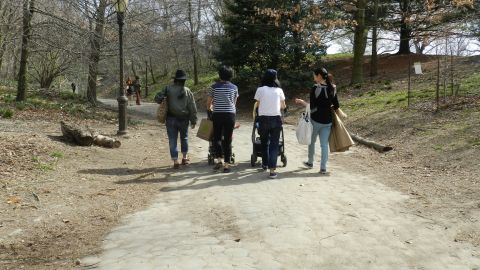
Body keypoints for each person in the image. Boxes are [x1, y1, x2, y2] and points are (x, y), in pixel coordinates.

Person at [295, 67, 340, 174]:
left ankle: (310, 162)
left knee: (312, 142)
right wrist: (327, 108)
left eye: (314, 75)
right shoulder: (333, 88)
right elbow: (337, 105)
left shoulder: (315, 88)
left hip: (315, 121)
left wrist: (302, 102)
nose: (313, 77)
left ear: (319, 76)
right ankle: (323, 168)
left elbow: (313, 108)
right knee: (324, 145)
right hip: (328, 121)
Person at [155, 69, 198, 169]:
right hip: (184, 119)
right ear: (184, 80)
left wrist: (163, 96)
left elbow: (157, 99)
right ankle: (185, 157)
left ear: (175, 79)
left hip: (171, 119)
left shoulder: (168, 89)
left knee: (172, 140)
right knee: (184, 138)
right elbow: (192, 107)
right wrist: (193, 120)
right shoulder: (187, 91)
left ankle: (175, 160)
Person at [254, 69, 286, 179]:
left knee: (264, 143)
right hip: (276, 119)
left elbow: (257, 104)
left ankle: (264, 164)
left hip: (263, 119)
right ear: (275, 78)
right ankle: (272, 171)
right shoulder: (279, 90)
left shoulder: (260, 89)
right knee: (274, 144)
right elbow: (283, 106)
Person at [207, 65, 239, 173]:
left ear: (219, 75)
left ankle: (219, 160)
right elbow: (234, 103)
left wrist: (209, 110)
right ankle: (226, 165)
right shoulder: (234, 87)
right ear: (231, 75)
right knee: (228, 139)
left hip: (218, 115)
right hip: (230, 115)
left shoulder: (214, 87)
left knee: (217, 138)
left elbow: (209, 102)